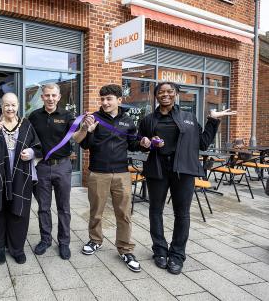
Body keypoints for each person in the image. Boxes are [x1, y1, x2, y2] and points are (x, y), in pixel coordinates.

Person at [138, 81, 236, 274]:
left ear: (175, 95)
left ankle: (177, 255)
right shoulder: (148, 120)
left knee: (182, 214)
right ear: (156, 96)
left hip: (183, 171)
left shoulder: (188, 118)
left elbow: (203, 143)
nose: (165, 94)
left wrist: (213, 120)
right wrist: (145, 142)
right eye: (161, 92)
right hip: (157, 170)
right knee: (155, 211)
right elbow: (139, 143)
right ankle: (159, 250)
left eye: (170, 91)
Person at [73, 84, 141, 272]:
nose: (104, 102)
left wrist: (143, 143)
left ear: (119, 100)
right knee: (96, 211)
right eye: (102, 99)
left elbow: (133, 144)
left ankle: (125, 249)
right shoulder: (92, 118)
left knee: (124, 213)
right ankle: (95, 240)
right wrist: (87, 129)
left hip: (121, 174)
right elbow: (81, 143)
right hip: (98, 173)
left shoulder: (128, 121)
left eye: (109, 99)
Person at [0, 92, 42, 264]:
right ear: (2, 105)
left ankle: (17, 249)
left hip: (21, 176)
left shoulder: (26, 124)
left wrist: (30, 153)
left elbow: (37, 147)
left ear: (18, 106)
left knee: (20, 213)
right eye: (7, 105)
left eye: (13, 105)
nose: (10, 108)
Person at [28, 83, 79, 259]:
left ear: (59, 97)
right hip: (42, 166)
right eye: (47, 95)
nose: (50, 98)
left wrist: (86, 128)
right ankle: (45, 239)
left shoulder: (67, 116)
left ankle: (64, 243)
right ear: (42, 97)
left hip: (63, 166)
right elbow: (28, 139)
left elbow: (77, 136)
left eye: (53, 95)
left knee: (64, 207)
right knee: (43, 207)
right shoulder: (34, 116)